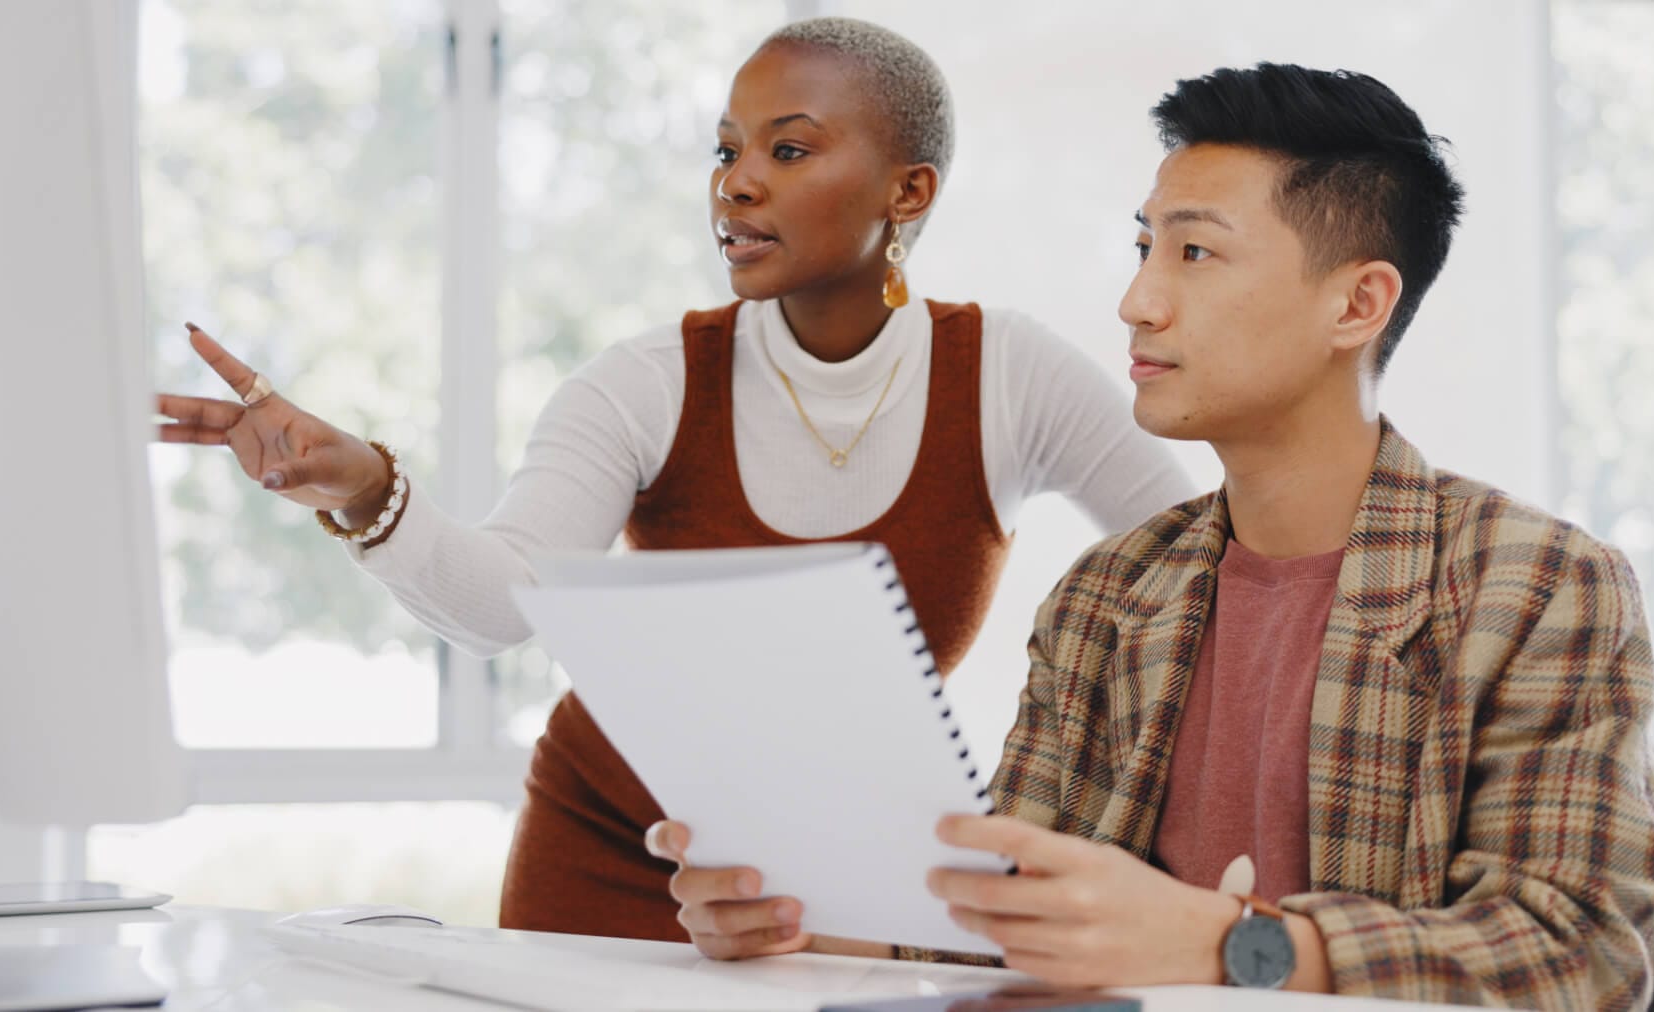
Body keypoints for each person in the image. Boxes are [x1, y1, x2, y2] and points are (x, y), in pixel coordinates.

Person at [649, 63, 1654, 1007]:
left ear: (1358, 303)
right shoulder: (1112, 592)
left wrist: (1237, 945)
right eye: (1146, 247)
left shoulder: (1539, 585)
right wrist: (803, 920)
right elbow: (1011, 919)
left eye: (1195, 251)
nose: (1137, 301)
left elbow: (1574, 953)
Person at [153, 17, 1196, 941]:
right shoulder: (647, 382)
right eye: (727, 149)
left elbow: (1196, 561)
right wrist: (365, 489)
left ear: (908, 189)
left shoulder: (1011, 375)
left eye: (789, 149)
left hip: (847, 877)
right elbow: (505, 601)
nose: (735, 182)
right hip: (609, 840)